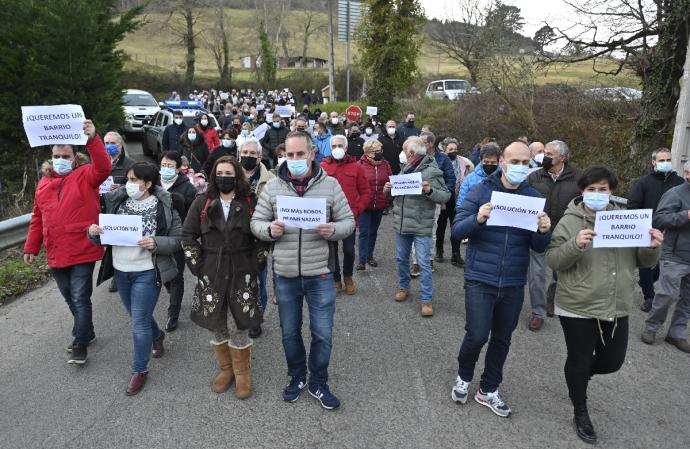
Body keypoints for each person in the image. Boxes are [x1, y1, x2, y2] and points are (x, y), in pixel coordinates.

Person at [546, 166, 662, 444]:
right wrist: (575, 244)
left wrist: (652, 246)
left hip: (615, 303)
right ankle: (580, 409)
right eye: (591, 190)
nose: (597, 195)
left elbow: (644, 262)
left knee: (612, 361)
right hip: (578, 303)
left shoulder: (626, 220)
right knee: (580, 358)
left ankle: (577, 376)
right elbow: (553, 261)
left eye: (603, 190)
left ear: (611, 192)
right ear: (582, 192)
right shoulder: (569, 221)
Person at [250, 131, 355, 410]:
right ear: (283, 155)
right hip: (285, 274)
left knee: (322, 333)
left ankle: (319, 382)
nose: (295, 160)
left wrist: (333, 230)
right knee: (289, 332)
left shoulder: (330, 185)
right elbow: (256, 223)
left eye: (300, 154)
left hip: (320, 273)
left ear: (311, 154)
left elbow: (349, 222)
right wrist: (268, 230)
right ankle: (297, 377)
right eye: (289, 155)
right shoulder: (272, 187)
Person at [451, 141, 552, 418]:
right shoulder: (480, 190)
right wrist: (478, 219)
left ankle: (489, 389)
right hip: (480, 277)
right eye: (514, 161)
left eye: (525, 162)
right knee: (477, 335)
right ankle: (464, 376)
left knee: (502, 339)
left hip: (512, 281)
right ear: (503, 162)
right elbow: (457, 231)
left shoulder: (532, 197)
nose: (520, 167)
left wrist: (544, 231)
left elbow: (539, 246)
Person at [89, 162, 182, 395]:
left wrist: (157, 242)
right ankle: (158, 335)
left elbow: (179, 239)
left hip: (147, 272)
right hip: (121, 271)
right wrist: (93, 234)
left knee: (138, 323)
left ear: (148, 183)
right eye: (128, 179)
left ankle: (139, 370)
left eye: (133, 180)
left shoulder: (165, 206)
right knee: (138, 316)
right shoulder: (116, 202)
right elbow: (105, 238)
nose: (128, 184)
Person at [23, 120, 110, 365]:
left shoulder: (85, 175)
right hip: (56, 250)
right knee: (69, 296)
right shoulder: (43, 183)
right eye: (56, 155)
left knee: (80, 297)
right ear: (51, 157)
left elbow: (103, 168)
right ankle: (88, 331)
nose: (61, 159)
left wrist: (93, 139)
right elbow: (37, 217)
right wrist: (31, 247)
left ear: (75, 157)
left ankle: (80, 343)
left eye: (66, 155)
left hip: (82, 247)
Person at [182, 156, 262, 399]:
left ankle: (242, 373)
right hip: (211, 272)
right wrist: (198, 267)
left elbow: (263, 237)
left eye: (229, 172)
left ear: (237, 175)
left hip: (242, 271)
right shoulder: (202, 202)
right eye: (219, 173)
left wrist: (256, 264)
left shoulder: (250, 201)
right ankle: (225, 370)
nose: (223, 177)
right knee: (216, 322)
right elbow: (187, 236)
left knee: (239, 323)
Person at [385, 137, 450, 317]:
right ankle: (404, 287)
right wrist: (387, 188)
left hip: (421, 224)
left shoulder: (432, 170)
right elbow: (391, 196)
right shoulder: (404, 169)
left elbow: (445, 195)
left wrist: (430, 191)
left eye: (405, 151)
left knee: (423, 263)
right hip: (402, 223)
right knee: (401, 258)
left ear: (411, 153)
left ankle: (426, 300)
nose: (403, 154)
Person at [525, 140, 581, 330]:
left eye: (549, 155)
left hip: (565, 233)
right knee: (537, 275)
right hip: (540, 232)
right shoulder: (534, 177)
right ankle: (538, 312)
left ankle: (554, 301)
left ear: (562, 158)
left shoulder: (578, 178)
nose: (544, 157)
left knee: (561, 274)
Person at [641, 160, 690, 353]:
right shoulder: (675, 193)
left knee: (687, 300)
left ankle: (676, 334)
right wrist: (686, 215)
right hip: (675, 254)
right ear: (688, 173)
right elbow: (659, 219)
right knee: (667, 295)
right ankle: (652, 327)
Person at [627, 148, 684, 312]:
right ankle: (649, 297)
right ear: (653, 162)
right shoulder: (643, 182)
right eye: (661, 160)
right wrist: (645, 226)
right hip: (648, 230)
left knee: (663, 263)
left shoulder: (680, 183)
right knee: (646, 263)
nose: (665, 163)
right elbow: (633, 206)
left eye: (668, 160)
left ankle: (650, 279)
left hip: (672, 230)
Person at [321, 135, 371, 295]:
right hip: (329, 218)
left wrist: (358, 209)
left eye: (340, 146)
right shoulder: (323, 167)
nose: (337, 149)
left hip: (348, 218)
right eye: (334, 146)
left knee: (349, 250)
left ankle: (348, 277)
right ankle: (336, 279)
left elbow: (365, 192)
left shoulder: (357, 167)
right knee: (332, 251)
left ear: (346, 147)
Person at [237, 138, 275, 337]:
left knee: (259, 282)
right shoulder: (229, 175)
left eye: (253, 154)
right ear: (239, 154)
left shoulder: (270, 180)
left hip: (258, 241)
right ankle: (240, 313)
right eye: (245, 153)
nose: (248, 156)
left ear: (260, 156)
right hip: (235, 240)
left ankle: (256, 318)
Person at [158, 152, 198, 332]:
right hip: (157, 238)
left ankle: (173, 314)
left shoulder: (187, 188)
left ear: (177, 167)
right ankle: (173, 294)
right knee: (162, 273)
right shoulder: (154, 183)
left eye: (169, 165)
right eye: (163, 165)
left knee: (176, 275)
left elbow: (193, 215)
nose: (165, 168)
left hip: (177, 238)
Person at [411, 131, 454, 276]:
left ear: (430, 143)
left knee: (431, 231)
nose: (419, 145)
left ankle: (428, 260)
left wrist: (441, 194)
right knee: (414, 230)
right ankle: (416, 262)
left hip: (433, 200)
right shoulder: (414, 158)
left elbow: (450, 179)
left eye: (422, 142)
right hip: (415, 201)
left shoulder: (443, 159)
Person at [357, 140, 392, 270]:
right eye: (377, 151)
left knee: (373, 231)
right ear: (368, 153)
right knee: (364, 232)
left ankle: (369, 256)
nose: (380, 153)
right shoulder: (359, 165)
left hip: (380, 203)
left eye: (380, 150)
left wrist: (388, 194)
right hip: (365, 205)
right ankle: (361, 259)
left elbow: (390, 179)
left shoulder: (385, 164)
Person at [435, 137, 466, 267]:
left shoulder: (463, 162)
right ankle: (439, 251)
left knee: (456, 227)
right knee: (440, 226)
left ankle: (456, 254)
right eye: (451, 149)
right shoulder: (439, 161)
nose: (454, 151)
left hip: (457, 198)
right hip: (443, 197)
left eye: (455, 149)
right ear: (445, 150)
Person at [456, 142, 501, 207]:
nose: (489, 164)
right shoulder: (469, 179)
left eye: (493, 162)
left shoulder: (504, 178)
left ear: (498, 161)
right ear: (480, 160)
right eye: (486, 162)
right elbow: (461, 203)